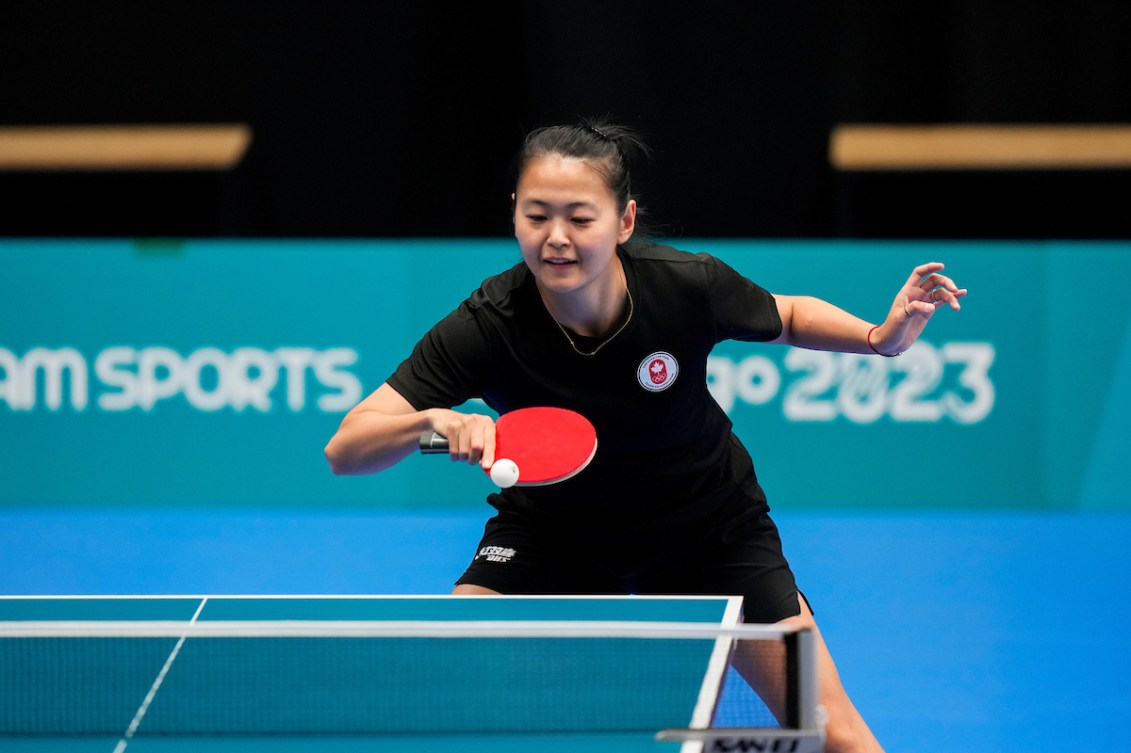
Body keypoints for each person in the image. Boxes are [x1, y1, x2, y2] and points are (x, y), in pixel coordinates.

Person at [324, 120, 966, 753]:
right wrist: (425, 423)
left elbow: (788, 312)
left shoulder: (683, 286)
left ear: (624, 221)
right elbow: (345, 449)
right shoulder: (488, 323)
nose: (555, 239)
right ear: (515, 214)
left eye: (580, 218)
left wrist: (881, 338)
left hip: (706, 531)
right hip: (556, 534)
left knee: (833, 734)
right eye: (536, 216)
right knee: (453, 678)